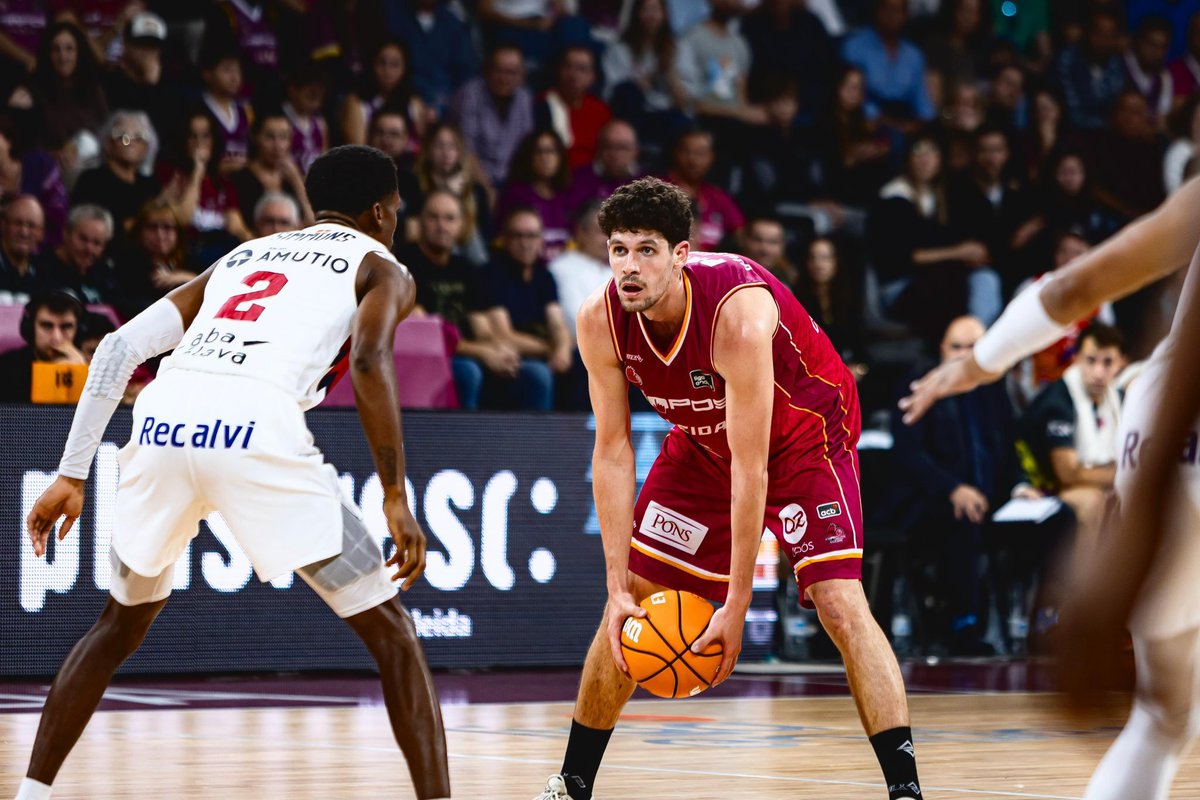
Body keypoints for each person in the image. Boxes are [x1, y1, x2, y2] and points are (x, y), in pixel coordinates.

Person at [14, 145, 450, 800]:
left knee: (118, 626)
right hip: (254, 428)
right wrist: (393, 494)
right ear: (381, 213)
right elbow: (368, 361)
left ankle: (30, 795)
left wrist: (72, 475)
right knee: (393, 635)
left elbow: (116, 349)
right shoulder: (381, 265)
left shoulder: (244, 255)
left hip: (162, 420)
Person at [532, 178, 920, 800]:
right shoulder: (599, 320)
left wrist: (736, 605)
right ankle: (572, 783)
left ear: (680, 255)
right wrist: (614, 584)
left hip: (805, 436)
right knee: (631, 599)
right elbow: (612, 451)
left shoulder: (737, 314)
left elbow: (752, 466)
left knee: (839, 603)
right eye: (619, 250)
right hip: (704, 443)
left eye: (647, 250)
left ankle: (905, 790)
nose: (630, 266)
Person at [897, 174, 1200, 800]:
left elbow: (1074, 287)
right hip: (1171, 421)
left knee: (1163, 716)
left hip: (1163, 425)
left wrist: (979, 364)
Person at [891, 315, 1024, 655]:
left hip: (991, 498)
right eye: (957, 347)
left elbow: (1010, 449)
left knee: (1054, 521)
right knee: (962, 519)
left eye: (973, 348)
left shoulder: (994, 391)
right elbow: (909, 454)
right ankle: (963, 625)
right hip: (931, 499)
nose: (964, 355)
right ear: (941, 349)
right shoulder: (919, 385)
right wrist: (953, 488)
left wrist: (1021, 487)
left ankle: (1049, 624)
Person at [396, 189, 526, 411]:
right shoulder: (404, 264)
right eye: (433, 217)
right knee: (468, 371)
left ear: (461, 225)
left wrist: (499, 349)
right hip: (427, 356)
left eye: (449, 218)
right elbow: (425, 335)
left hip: (466, 350)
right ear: (420, 221)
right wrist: (483, 352)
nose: (441, 226)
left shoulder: (465, 268)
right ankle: (463, 434)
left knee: (532, 373)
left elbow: (481, 327)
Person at [482, 207, 573, 411]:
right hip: (511, 356)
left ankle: (585, 430)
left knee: (588, 363)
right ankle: (541, 432)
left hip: (543, 350)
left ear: (541, 241)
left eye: (531, 236)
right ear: (504, 239)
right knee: (538, 375)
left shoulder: (544, 276)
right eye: (518, 236)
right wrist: (551, 350)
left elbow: (557, 322)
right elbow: (503, 335)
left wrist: (562, 348)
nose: (525, 243)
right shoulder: (490, 274)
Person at [449, 44, 536, 188]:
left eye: (511, 72)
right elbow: (467, 150)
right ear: (487, 71)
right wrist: (488, 190)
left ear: (521, 75)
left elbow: (526, 150)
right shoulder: (471, 94)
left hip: (513, 180)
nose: (504, 78)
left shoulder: (524, 98)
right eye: (499, 71)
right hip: (474, 179)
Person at [0, 288, 85, 403]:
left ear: (78, 331)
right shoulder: (6, 368)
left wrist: (81, 378)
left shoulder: (92, 368)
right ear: (31, 328)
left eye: (66, 327)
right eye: (47, 326)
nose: (57, 338)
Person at [38, 203, 117, 304]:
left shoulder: (104, 275)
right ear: (66, 233)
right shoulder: (40, 270)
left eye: (97, 243)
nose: (89, 249)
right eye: (83, 239)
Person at [0, 194, 48, 300]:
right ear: (3, 225)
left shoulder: (45, 275)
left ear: (41, 233)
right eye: (17, 223)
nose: (24, 233)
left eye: (31, 226)